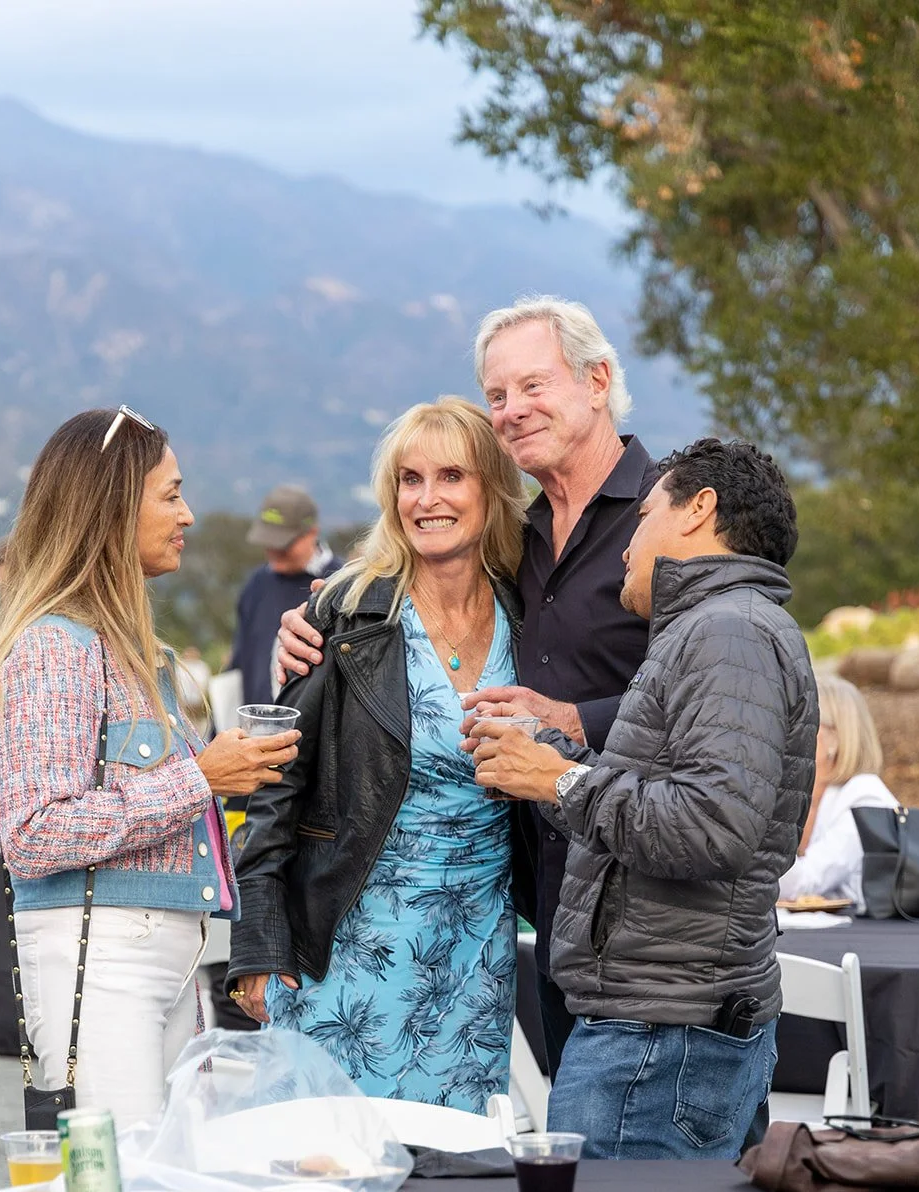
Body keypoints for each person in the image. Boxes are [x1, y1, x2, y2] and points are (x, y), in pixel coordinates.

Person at [276, 297, 659, 1076]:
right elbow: (283, 788)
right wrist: (313, 622)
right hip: (521, 915)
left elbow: (712, 692)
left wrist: (577, 721)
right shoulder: (521, 552)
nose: (513, 409)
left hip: (644, 914)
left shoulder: (666, 520)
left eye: (533, 386)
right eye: (497, 394)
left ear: (597, 381)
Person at [471, 438, 816, 1158]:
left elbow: (708, 828)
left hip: (659, 1038)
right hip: (661, 1026)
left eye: (643, 516)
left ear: (699, 510)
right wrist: (550, 753)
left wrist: (556, 780)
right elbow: (673, 795)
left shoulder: (725, 633)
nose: (626, 545)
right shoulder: (716, 629)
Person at [0, 406, 300, 1129]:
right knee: (126, 1186)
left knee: (165, 1180)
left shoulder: (129, 651)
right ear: (114, 507)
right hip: (105, 961)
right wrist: (201, 778)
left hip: (159, 956)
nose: (187, 513)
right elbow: (33, 832)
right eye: (171, 493)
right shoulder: (53, 648)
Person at [227, 397, 529, 1110]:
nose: (427, 499)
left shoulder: (527, 611)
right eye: (408, 479)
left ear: (490, 487)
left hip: (475, 949)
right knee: (328, 1164)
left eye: (450, 476)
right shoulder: (343, 611)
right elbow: (276, 785)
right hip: (348, 942)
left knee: (454, 1169)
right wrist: (259, 945)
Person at [778, 673, 896, 913]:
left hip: (869, 936)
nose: (789, 734)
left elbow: (806, 882)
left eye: (803, 724)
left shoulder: (866, 797)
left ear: (835, 738)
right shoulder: (804, 794)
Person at [229, 485, 342, 709]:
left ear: (312, 533)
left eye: (283, 544)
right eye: (268, 542)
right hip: (256, 726)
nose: (273, 551)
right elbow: (242, 659)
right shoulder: (257, 584)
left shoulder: (338, 583)